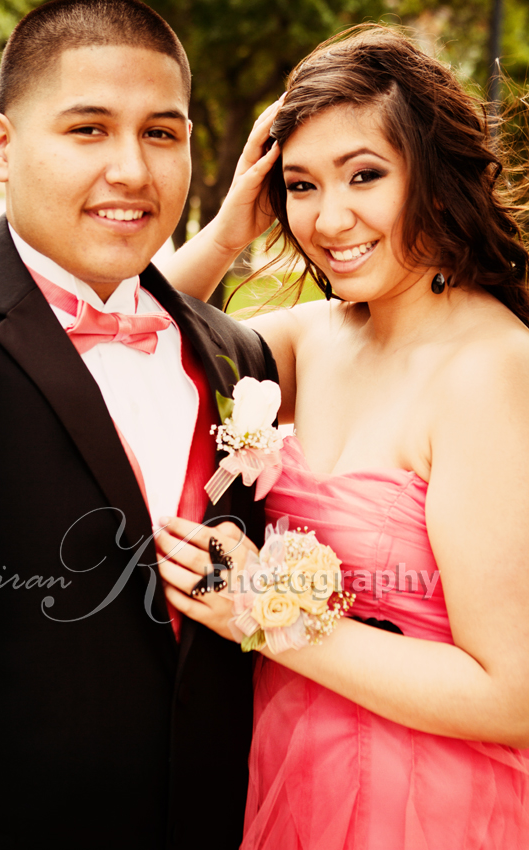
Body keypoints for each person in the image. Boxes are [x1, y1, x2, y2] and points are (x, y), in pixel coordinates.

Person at [155, 25, 529, 849]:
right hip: (288, 768)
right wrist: (226, 232)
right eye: (300, 185)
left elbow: (514, 695)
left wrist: (263, 610)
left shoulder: (491, 370)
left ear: (434, 179)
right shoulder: (312, 338)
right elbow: (134, 342)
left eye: (364, 175)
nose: (328, 218)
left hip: (422, 802)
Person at [0, 1, 281, 848]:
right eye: (89, 129)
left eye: (161, 133)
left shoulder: (241, 355)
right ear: (2, 145)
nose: (133, 171)